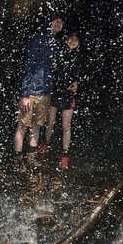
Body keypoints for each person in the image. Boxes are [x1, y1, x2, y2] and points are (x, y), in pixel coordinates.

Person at [14, 15, 63, 162]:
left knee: (37, 125)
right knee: (22, 125)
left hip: (46, 92)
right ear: (49, 23)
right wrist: (25, 94)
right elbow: (28, 67)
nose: (58, 25)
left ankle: (31, 157)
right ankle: (17, 158)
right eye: (56, 22)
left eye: (61, 23)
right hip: (31, 92)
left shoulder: (56, 43)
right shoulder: (38, 41)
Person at [40, 30, 81, 169]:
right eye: (71, 38)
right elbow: (51, 69)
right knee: (50, 121)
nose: (73, 41)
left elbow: (82, 73)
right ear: (67, 39)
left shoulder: (79, 56)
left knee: (66, 126)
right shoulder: (59, 52)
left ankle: (65, 154)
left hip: (69, 94)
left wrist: (78, 82)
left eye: (76, 39)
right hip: (55, 91)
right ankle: (46, 142)